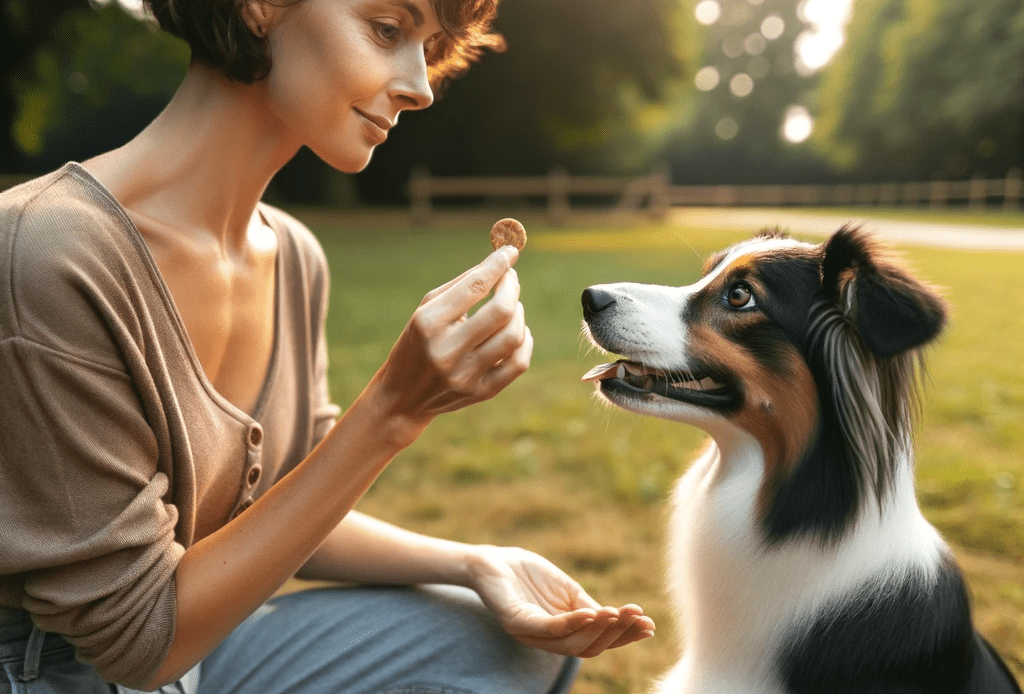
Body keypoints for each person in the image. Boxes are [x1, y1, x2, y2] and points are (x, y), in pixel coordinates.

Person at [0, 0, 656, 692]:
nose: (420, 86)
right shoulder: (47, 255)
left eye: (428, 48)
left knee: (517, 642)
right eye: (387, 31)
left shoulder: (294, 257)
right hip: (61, 669)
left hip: (201, 651)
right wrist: (393, 412)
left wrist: (473, 562)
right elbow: (137, 644)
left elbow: (288, 506)